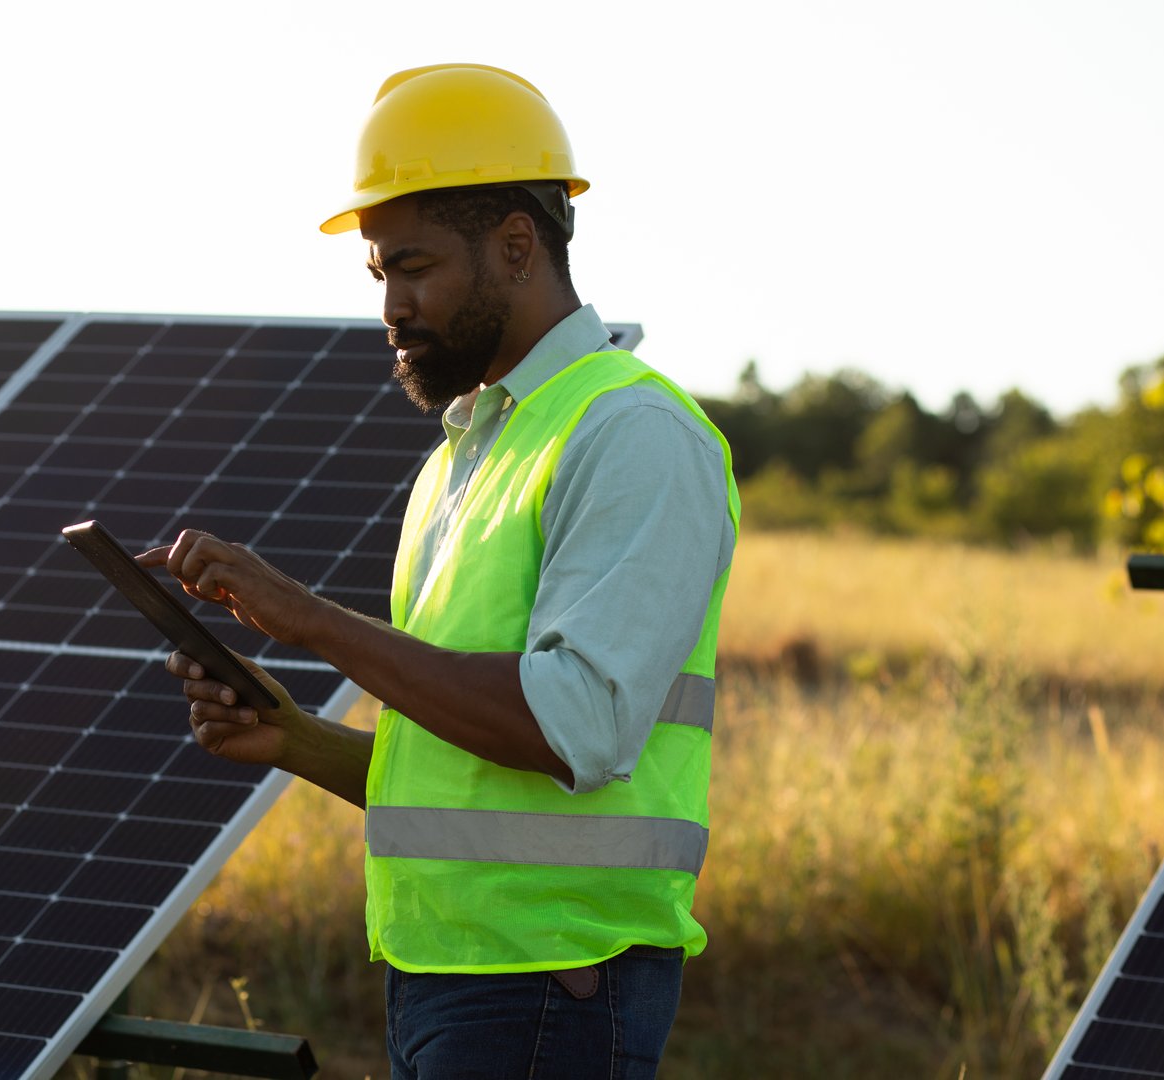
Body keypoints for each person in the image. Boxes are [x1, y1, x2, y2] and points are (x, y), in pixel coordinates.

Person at [137, 63, 739, 1079]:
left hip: (555, 983)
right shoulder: (463, 459)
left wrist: (313, 621)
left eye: (413, 267)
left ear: (515, 244)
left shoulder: (634, 433)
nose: (392, 307)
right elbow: (458, 786)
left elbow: (569, 724)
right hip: (448, 981)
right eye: (379, 276)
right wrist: (295, 739)